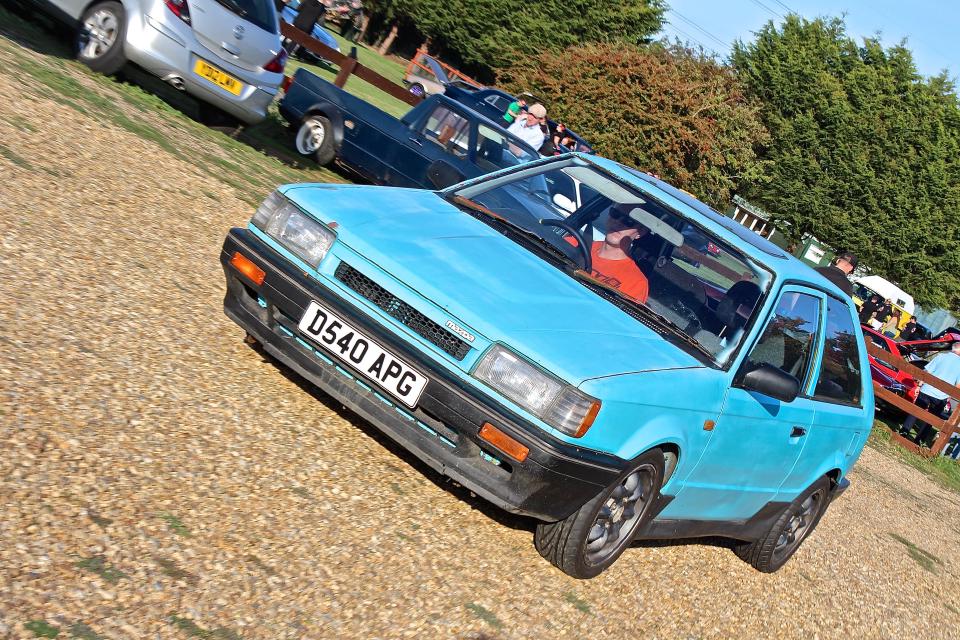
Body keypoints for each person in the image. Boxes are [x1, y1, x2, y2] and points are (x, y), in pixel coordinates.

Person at [580, 204, 650, 303]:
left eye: (629, 221)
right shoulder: (576, 243)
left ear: (641, 232)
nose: (618, 222)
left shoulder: (637, 283)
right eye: (615, 214)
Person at [900, 342, 960, 445]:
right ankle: (920, 439)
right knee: (931, 418)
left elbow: (927, 371)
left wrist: (920, 385)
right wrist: (949, 397)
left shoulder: (941, 356)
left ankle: (904, 431)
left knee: (916, 411)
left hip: (927, 389)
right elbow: (958, 385)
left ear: (952, 349)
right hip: (942, 396)